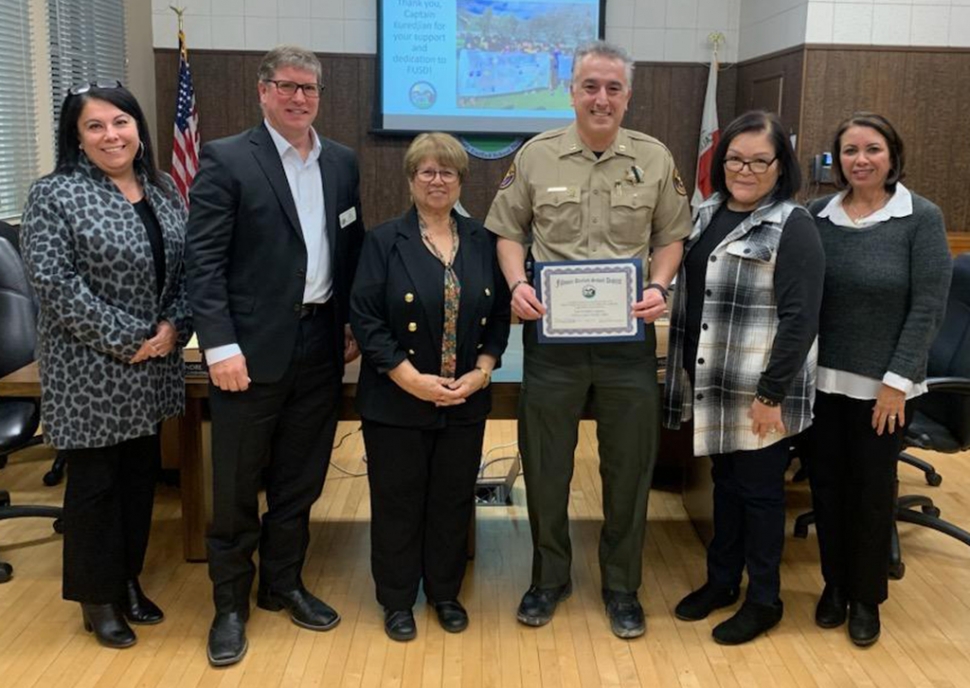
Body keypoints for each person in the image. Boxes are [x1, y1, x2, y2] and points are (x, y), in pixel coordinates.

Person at [484, 40, 692, 639]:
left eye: (613, 88)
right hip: (553, 343)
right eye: (589, 86)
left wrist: (659, 284)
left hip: (630, 344)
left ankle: (622, 586)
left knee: (629, 470)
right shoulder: (536, 156)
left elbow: (671, 235)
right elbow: (507, 231)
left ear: (628, 95)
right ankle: (549, 578)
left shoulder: (654, 159)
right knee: (547, 467)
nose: (601, 98)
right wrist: (517, 282)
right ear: (571, 91)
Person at [185, 45, 365, 667]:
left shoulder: (340, 161)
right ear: (263, 91)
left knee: (300, 478)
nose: (298, 98)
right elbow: (202, 264)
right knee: (236, 484)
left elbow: (348, 248)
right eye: (286, 86)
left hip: (320, 345)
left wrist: (348, 325)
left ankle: (281, 584)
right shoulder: (228, 158)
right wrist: (220, 345)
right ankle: (229, 605)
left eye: (309, 88)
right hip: (248, 353)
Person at [20, 81, 191, 649]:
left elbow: (185, 272)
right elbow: (54, 284)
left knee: (139, 480)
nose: (110, 135)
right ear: (77, 137)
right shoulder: (56, 194)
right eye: (95, 126)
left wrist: (172, 328)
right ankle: (97, 600)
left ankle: (126, 580)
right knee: (96, 486)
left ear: (138, 127)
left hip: (152, 365)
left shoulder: (163, 190)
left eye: (120, 122)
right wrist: (131, 337)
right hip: (90, 368)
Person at [663, 110, 825, 644]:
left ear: (781, 166)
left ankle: (765, 600)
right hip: (712, 384)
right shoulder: (706, 213)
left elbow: (801, 320)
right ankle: (722, 583)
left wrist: (771, 393)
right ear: (721, 160)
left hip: (760, 393)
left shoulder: (793, 225)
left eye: (760, 160)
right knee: (726, 489)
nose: (745, 169)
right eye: (735, 158)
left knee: (759, 495)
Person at [350, 133, 511, 641]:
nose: (437, 180)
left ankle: (445, 593)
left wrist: (482, 370)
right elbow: (367, 318)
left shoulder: (484, 240)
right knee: (397, 502)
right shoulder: (382, 241)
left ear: (462, 180)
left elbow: (499, 318)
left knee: (451, 500)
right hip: (396, 399)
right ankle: (397, 600)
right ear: (411, 178)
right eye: (426, 171)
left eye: (447, 172)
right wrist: (409, 378)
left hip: (465, 399)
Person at [806, 112, 951, 647]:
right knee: (825, 487)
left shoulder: (921, 218)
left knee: (869, 492)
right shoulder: (818, 214)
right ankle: (834, 585)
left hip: (884, 388)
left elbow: (928, 307)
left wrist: (896, 381)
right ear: (836, 159)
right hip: (821, 381)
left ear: (892, 155)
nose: (860, 160)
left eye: (871, 149)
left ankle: (866, 597)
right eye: (848, 151)